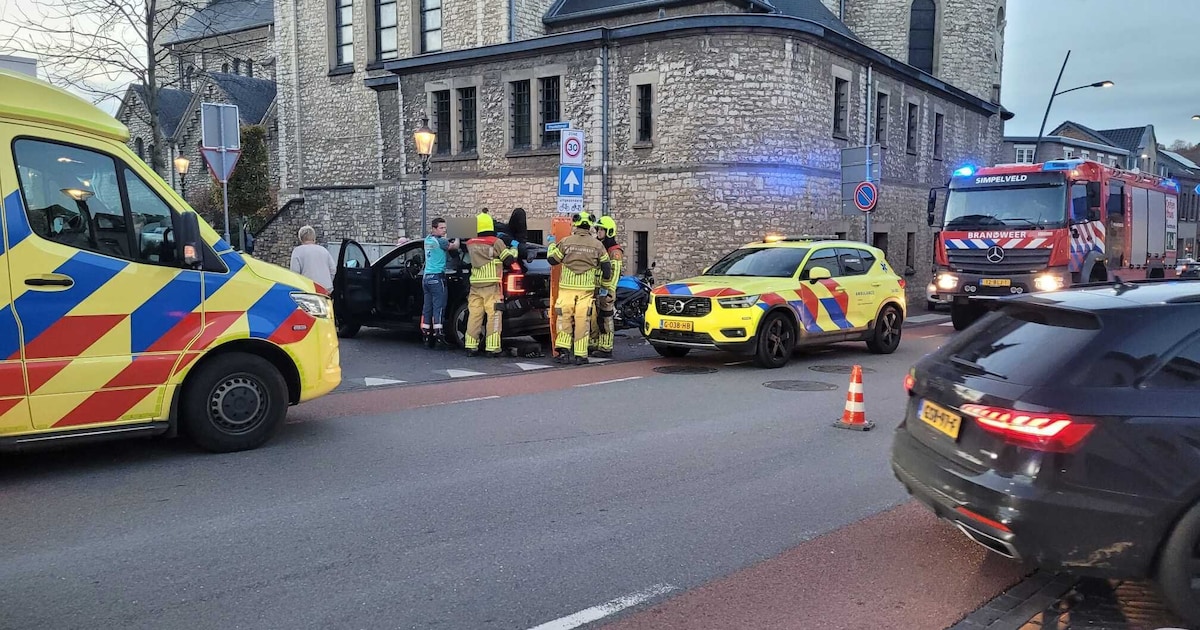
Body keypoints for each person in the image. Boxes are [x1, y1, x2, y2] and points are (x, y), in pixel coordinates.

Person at [547, 212, 611, 364]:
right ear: (589, 225)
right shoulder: (598, 245)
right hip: (586, 290)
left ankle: (563, 352)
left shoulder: (566, 241)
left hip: (567, 288)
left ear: (575, 224)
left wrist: (550, 245)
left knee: (564, 318)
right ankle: (581, 355)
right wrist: (604, 282)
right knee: (583, 320)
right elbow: (607, 268)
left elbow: (552, 260)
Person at [464, 211, 517, 357]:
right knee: (494, 315)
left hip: (475, 284)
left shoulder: (470, 243)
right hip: (491, 285)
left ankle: (470, 346)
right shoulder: (495, 242)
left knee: (474, 315)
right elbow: (509, 260)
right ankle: (492, 348)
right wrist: (514, 248)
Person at [422, 217, 459, 349]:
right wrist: (458, 236)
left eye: (445, 228)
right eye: (441, 228)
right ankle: (439, 336)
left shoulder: (427, 240)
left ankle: (426, 335)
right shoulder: (441, 242)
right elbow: (454, 246)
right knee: (439, 307)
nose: (444, 230)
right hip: (437, 278)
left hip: (426, 278)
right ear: (434, 228)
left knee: (427, 308)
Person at [589, 215, 623, 358]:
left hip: (606, 291)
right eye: (598, 229)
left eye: (602, 230)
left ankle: (605, 347)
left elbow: (615, 273)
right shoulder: (599, 246)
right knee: (594, 319)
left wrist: (610, 291)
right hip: (596, 289)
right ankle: (594, 343)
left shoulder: (614, 251)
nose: (599, 232)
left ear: (609, 231)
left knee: (605, 319)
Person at [290, 225, 336, 292]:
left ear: (300, 238)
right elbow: (333, 269)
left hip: (308, 289)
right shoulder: (324, 250)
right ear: (314, 237)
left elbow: (294, 273)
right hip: (326, 289)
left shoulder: (297, 251)